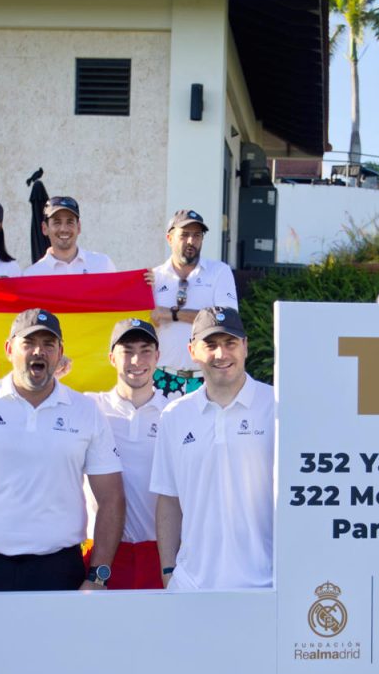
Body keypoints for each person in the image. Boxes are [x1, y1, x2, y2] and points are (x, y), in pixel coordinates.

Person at [0, 308, 125, 592]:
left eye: (48, 344)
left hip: (59, 570)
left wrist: (98, 576)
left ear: (60, 353)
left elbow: (112, 498)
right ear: (9, 349)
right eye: (28, 343)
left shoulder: (86, 412)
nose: (38, 352)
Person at [151, 306, 275, 590]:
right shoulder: (174, 415)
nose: (221, 354)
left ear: (245, 346)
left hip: (266, 585)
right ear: (192, 350)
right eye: (210, 345)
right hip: (192, 586)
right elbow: (168, 499)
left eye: (230, 343)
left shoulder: (277, 407)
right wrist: (169, 571)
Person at [85, 317, 169, 589]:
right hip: (101, 552)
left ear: (157, 357)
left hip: (161, 552)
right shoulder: (87, 407)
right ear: (111, 357)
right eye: (127, 351)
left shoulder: (176, 413)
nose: (136, 360)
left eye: (145, 351)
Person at [150, 210, 239, 399]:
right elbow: (146, 322)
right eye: (184, 235)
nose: (191, 241)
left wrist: (172, 314)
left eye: (197, 235)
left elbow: (227, 321)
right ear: (170, 238)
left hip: (206, 378)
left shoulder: (219, 272)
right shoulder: (154, 278)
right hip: (161, 377)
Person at [24, 195, 117, 275]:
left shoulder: (103, 265)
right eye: (57, 222)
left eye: (70, 222)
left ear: (79, 227)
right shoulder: (32, 275)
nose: (64, 229)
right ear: (45, 228)